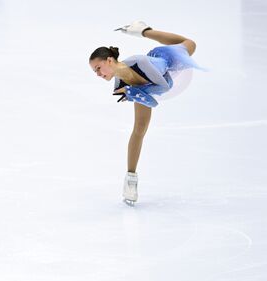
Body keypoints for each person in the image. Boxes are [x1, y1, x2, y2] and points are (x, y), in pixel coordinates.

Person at [88, 21, 205, 206]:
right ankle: (130, 179)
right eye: (95, 72)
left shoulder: (139, 61)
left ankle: (143, 30)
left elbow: (165, 87)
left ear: (109, 60)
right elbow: (149, 98)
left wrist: (134, 93)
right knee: (139, 129)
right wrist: (134, 92)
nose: (98, 74)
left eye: (98, 68)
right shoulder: (119, 84)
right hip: (146, 85)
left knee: (190, 43)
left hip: (168, 62)